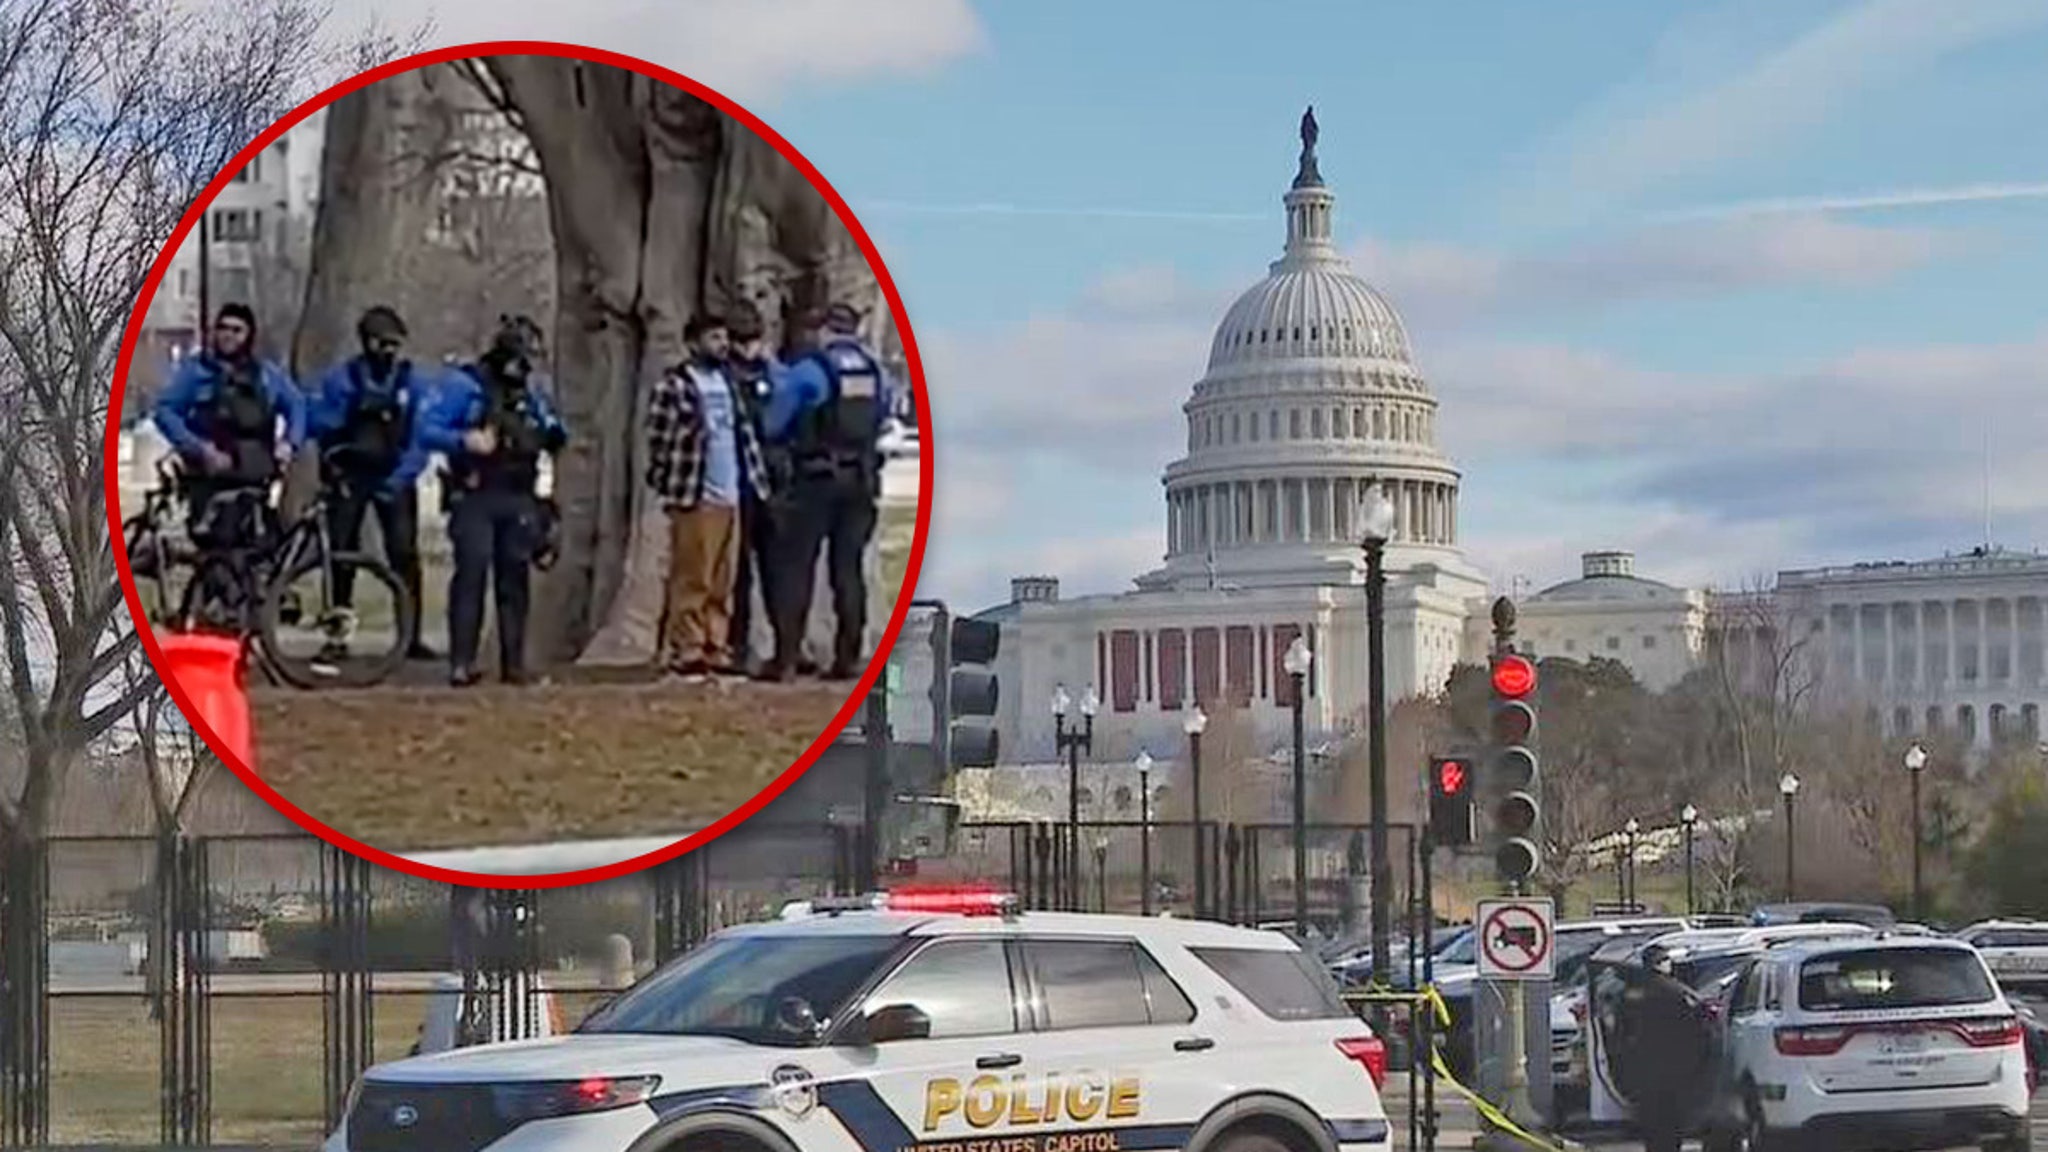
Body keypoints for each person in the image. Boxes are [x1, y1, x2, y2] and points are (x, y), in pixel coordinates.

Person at [419, 324, 567, 687]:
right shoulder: (465, 387)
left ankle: (514, 662)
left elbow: (552, 430)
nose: (524, 368)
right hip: (474, 493)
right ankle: (461, 661)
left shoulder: (530, 395)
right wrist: (465, 440)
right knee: (472, 571)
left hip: (517, 493)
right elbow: (426, 428)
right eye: (520, 359)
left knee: (514, 578)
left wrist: (550, 435)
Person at [757, 302, 892, 682]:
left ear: (827, 331)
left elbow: (775, 422)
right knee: (847, 570)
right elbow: (883, 413)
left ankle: (785, 658)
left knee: (794, 566)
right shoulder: (875, 371)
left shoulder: (810, 371)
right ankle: (848, 656)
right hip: (861, 481)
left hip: (815, 479)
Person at [645, 313, 774, 679]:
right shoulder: (676, 385)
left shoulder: (728, 382)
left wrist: (757, 485)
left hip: (730, 494)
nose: (721, 345)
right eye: (713, 338)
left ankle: (716, 644)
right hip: (694, 493)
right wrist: (666, 482)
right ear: (693, 343)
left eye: (723, 337)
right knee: (693, 575)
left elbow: (743, 436)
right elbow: (657, 439)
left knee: (723, 577)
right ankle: (687, 647)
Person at [307, 306, 437, 662]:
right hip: (349, 476)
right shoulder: (342, 379)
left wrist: (401, 478)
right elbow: (322, 426)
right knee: (341, 556)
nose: (389, 352)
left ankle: (411, 635)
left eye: (395, 344)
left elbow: (420, 438)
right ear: (366, 342)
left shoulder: (412, 381)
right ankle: (338, 637)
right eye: (382, 343)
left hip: (393, 475)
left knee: (404, 555)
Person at [152, 302, 306, 571]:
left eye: (237, 330)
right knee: (215, 546)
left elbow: (297, 405)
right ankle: (210, 600)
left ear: (249, 335)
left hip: (254, 474)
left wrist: (289, 443)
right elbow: (165, 412)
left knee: (259, 545)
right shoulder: (196, 372)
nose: (228, 335)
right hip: (208, 475)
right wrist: (198, 447)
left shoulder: (266, 375)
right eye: (222, 328)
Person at [723, 310, 784, 674]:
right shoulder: (724, 378)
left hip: (772, 486)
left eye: (753, 339)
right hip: (737, 488)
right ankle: (737, 646)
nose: (749, 348)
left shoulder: (772, 375)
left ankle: (784, 647)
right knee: (737, 574)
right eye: (742, 340)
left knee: (778, 572)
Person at [1612, 944, 1716, 1152]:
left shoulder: (1630, 994)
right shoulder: (1677, 991)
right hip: (1674, 1066)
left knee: (1651, 1119)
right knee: (1671, 1118)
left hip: (1643, 1066)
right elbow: (1698, 1027)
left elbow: (1620, 1033)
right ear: (1660, 963)